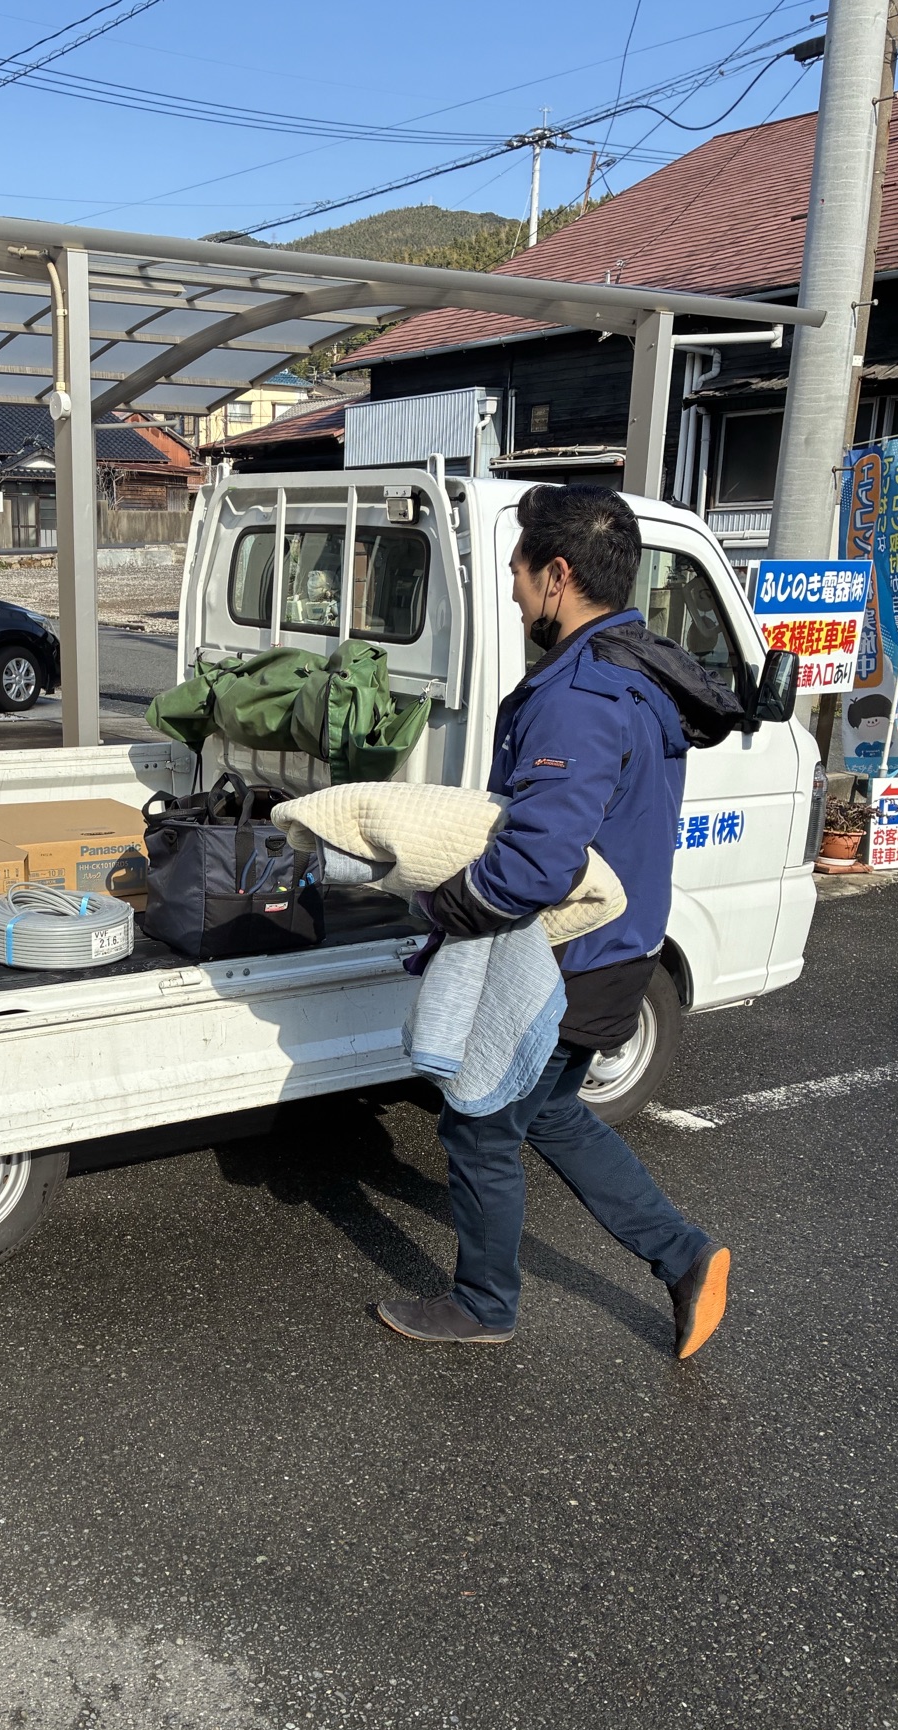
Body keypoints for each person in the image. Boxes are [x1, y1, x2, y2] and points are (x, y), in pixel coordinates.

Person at [376, 483, 729, 1359]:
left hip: (568, 958)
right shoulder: (639, 670)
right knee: (551, 1111)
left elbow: (539, 859)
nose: (512, 588)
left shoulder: (580, 696)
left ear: (558, 576)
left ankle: (483, 1304)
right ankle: (685, 1257)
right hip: (622, 948)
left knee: (479, 1122)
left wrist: (447, 903)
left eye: (517, 571)